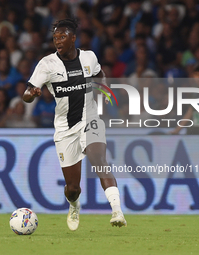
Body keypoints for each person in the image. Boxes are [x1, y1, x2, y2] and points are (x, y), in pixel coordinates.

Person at [22, 19, 127, 231]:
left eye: (62, 37)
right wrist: (31, 94)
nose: (57, 41)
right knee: (72, 188)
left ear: (73, 38)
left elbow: (99, 75)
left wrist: (104, 90)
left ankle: (117, 211)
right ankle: (74, 204)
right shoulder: (47, 64)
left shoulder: (89, 57)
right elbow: (26, 93)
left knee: (99, 159)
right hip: (64, 128)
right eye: (55, 38)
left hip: (90, 118)